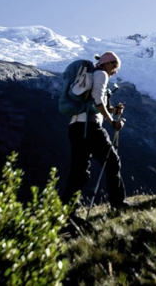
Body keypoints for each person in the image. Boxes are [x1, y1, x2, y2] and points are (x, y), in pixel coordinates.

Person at [61, 51, 127, 209]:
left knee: (79, 171)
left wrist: (112, 110)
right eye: (115, 67)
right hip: (90, 128)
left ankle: (66, 213)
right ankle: (118, 204)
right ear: (108, 63)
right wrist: (111, 122)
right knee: (112, 162)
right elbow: (97, 99)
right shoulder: (101, 74)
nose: (115, 72)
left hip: (76, 127)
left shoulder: (91, 75)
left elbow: (92, 103)